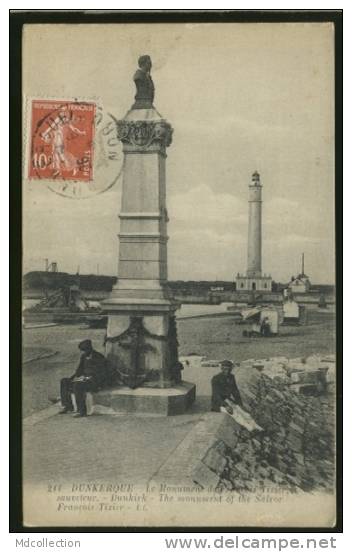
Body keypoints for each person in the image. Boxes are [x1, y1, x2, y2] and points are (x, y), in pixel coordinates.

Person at [59, 339, 108, 418]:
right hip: (84, 379)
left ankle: (81, 411)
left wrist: (88, 378)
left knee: (77, 385)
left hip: (94, 382)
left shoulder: (98, 357)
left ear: (90, 349)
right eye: (82, 351)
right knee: (64, 381)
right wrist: (73, 378)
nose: (83, 352)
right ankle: (67, 406)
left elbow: (102, 373)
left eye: (85, 350)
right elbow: (80, 369)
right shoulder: (84, 356)